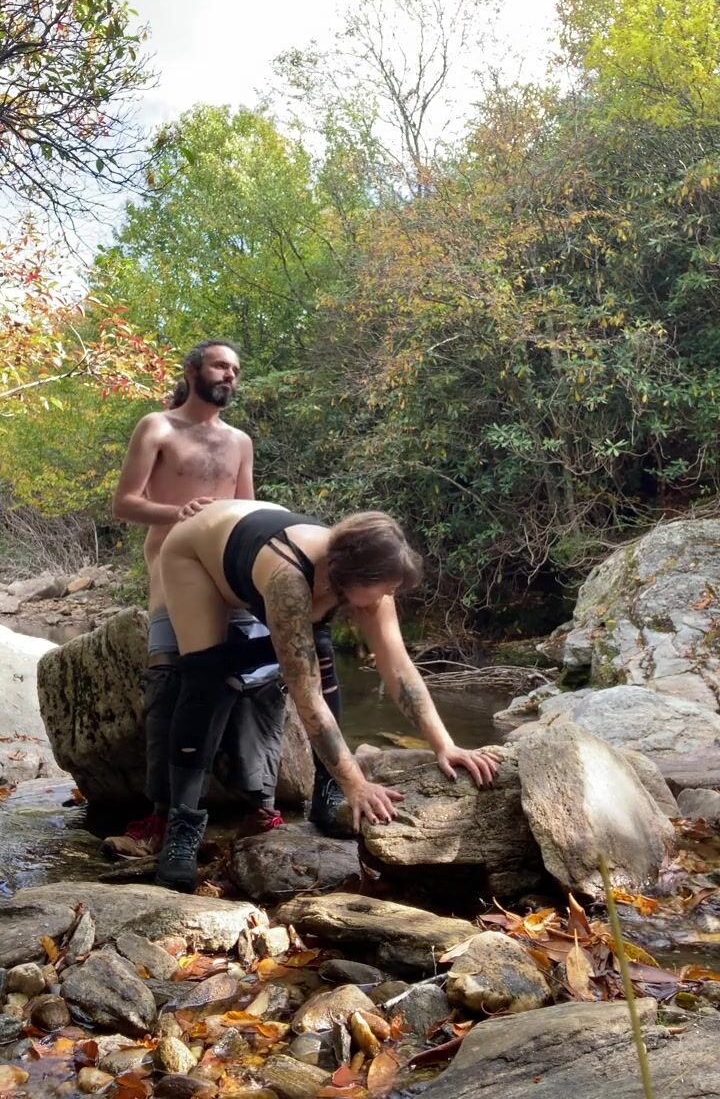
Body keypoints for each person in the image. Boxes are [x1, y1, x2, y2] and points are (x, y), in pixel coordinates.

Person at [155, 499, 500, 890]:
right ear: (353, 576)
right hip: (198, 552)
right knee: (206, 676)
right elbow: (306, 695)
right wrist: (357, 782)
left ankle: (325, 792)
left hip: (265, 541)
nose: (387, 596)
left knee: (322, 656)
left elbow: (399, 669)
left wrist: (444, 745)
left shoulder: (369, 579)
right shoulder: (288, 578)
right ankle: (182, 825)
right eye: (384, 589)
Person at [104, 338, 344, 858]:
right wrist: (179, 513)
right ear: (192, 370)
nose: (230, 375)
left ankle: (261, 808)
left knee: (258, 682)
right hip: (173, 571)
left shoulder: (240, 440)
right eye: (219, 365)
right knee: (172, 683)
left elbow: (249, 511)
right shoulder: (157, 427)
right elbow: (124, 504)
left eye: (235, 368)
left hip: (231, 572)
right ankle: (162, 819)